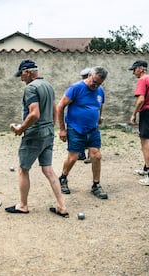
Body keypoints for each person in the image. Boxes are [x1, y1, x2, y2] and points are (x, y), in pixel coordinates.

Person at [5, 59, 69, 218]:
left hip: (35, 134)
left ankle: (23, 205)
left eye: (21, 74)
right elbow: (54, 109)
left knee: (23, 169)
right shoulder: (48, 85)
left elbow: (34, 114)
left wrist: (21, 128)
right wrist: (50, 127)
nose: (21, 78)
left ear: (27, 71)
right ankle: (62, 206)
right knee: (48, 169)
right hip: (48, 132)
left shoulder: (31, 88)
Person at [57, 66, 108, 199]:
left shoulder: (100, 91)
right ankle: (63, 178)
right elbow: (60, 106)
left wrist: (98, 118)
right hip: (75, 128)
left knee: (96, 156)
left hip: (92, 128)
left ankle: (96, 185)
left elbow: (100, 105)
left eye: (99, 83)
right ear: (89, 76)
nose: (95, 85)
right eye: (94, 81)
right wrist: (62, 129)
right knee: (73, 157)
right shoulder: (76, 88)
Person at [77, 67, 92, 164]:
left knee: (90, 135)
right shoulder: (80, 87)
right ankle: (81, 154)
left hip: (90, 116)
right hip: (81, 116)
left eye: (84, 77)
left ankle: (90, 156)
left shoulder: (95, 87)